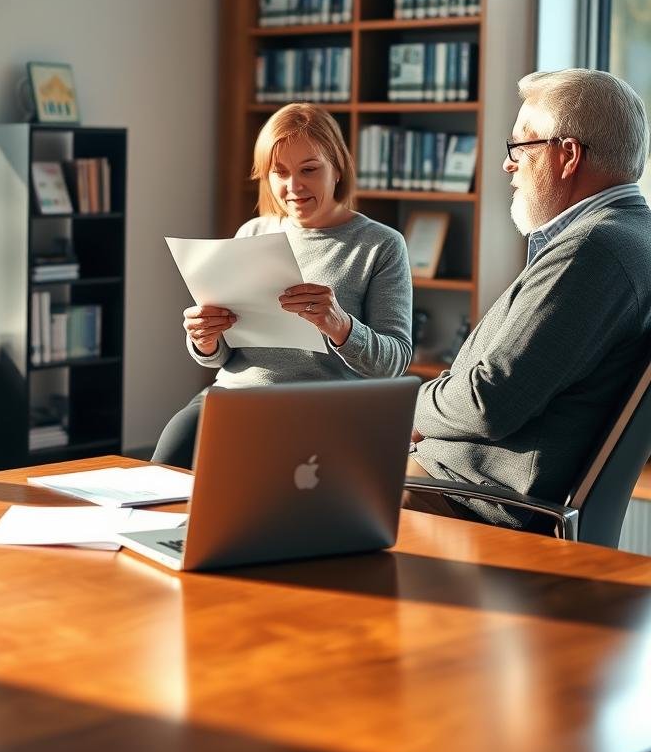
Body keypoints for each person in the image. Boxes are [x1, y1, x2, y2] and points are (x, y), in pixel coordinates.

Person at [407, 68, 651, 527]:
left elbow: (488, 403)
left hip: (462, 503)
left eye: (521, 146)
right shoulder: (629, 236)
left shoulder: (593, 251)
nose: (508, 164)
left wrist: (404, 406)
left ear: (568, 155)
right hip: (452, 485)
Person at [152, 103, 412, 468]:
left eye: (309, 169)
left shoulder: (380, 245)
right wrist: (205, 339)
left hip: (314, 410)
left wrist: (340, 326)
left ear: (337, 167)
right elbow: (225, 354)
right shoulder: (254, 232)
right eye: (280, 172)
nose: (294, 187)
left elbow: (394, 361)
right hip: (232, 397)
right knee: (169, 459)